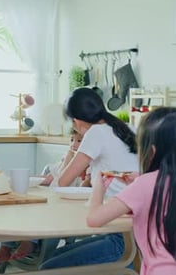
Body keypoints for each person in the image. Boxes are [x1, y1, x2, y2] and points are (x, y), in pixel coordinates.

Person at [87, 107, 176, 274]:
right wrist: (139, 182)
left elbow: (94, 219)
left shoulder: (145, 185)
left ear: (152, 151)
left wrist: (99, 187)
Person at [38, 87, 139, 270]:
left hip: (120, 235)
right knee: (56, 256)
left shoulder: (96, 133)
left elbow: (62, 182)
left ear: (76, 122)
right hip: (133, 229)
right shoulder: (128, 128)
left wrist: (70, 151)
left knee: (48, 268)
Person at [0, 129, 91, 268]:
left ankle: (30, 242)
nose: (73, 144)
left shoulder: (90, 164)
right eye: (72, 140)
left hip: (72, 209)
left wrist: (74, 164)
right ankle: (6, 248)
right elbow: (49, 179)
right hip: (57, 203)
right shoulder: (65, 159)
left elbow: (80, 188)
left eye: (79, 141)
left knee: (41, 212)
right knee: (24, 206)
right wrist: (25, 179)